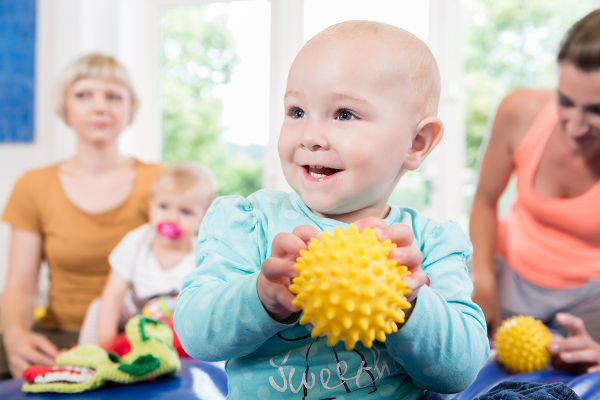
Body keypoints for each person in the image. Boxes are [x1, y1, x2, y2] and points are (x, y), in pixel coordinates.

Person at [174, 20, 489, 399]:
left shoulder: (428, 247)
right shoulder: (250, 224)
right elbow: (194, 335)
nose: (310, 136)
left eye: (344, 114)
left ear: (417, 142)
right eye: (297, 111)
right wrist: (261, 297)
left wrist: (411, 304)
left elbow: (461, 371)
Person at [0, 53, 163, 379]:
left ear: (130, 109)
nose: (100, 106)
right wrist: (15, 336)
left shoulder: (160, 182)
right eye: (84, 94)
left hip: (138, 337)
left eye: (114, 96)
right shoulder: (34, 185)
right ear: (66, 107)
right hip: (58, 339)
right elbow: (20, 285)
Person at [470, 9, 600, 374]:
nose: (575, 128)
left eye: (597, 111)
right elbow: (484, 200)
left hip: (591, 295)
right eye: (566, 101)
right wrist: (481, 279)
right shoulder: (519, 112)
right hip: (507, 270)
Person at [78, 162, 216, 345]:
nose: (172, 218)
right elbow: (113, 294)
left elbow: (203, 301)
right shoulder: (136, 242)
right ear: (151, 205)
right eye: (164, 207)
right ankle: (90, 355)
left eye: (185, 211)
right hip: (133, 316)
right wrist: (107, 342)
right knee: (98, 306)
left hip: (173, 324)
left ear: (203, 218)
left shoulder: (202, 253)